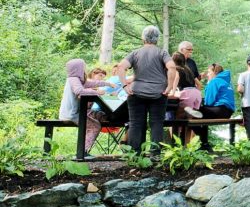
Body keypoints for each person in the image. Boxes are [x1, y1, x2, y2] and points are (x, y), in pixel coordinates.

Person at [113, 25, 178, 154]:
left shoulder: (135, 53)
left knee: (136, 123)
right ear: (157, 39)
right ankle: (155, 154)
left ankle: (136, 155)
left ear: (143, 38)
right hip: (158, 94)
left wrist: (125, 85)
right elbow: (172, 67)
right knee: (156, 124)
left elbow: (121, 67)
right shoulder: (162, 53)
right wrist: (170, 86)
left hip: (136, 93)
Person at [58, 59, 114, 155]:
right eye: (83, 67)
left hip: (74, 113)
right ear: (78, 68)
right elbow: (79, 90)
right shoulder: (73, 79)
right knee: (95, 126)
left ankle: (83, 151)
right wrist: (96, 92)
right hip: (71, 114)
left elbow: (91, 83)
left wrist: (107, 84)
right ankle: (82, 152)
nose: (84, 69)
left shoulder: (75, 79)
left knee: (100, 115)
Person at [187, 63, 234, 151]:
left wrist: (208, 84)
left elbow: (209, 102)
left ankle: (204, 143)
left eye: (209, 72)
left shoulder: (214, 81)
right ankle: (204, 144)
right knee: (202, 114)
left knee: (190, 112)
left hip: (220, 110)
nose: (208, 74)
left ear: (214, 72)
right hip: (228, 112)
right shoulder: (227, 81)